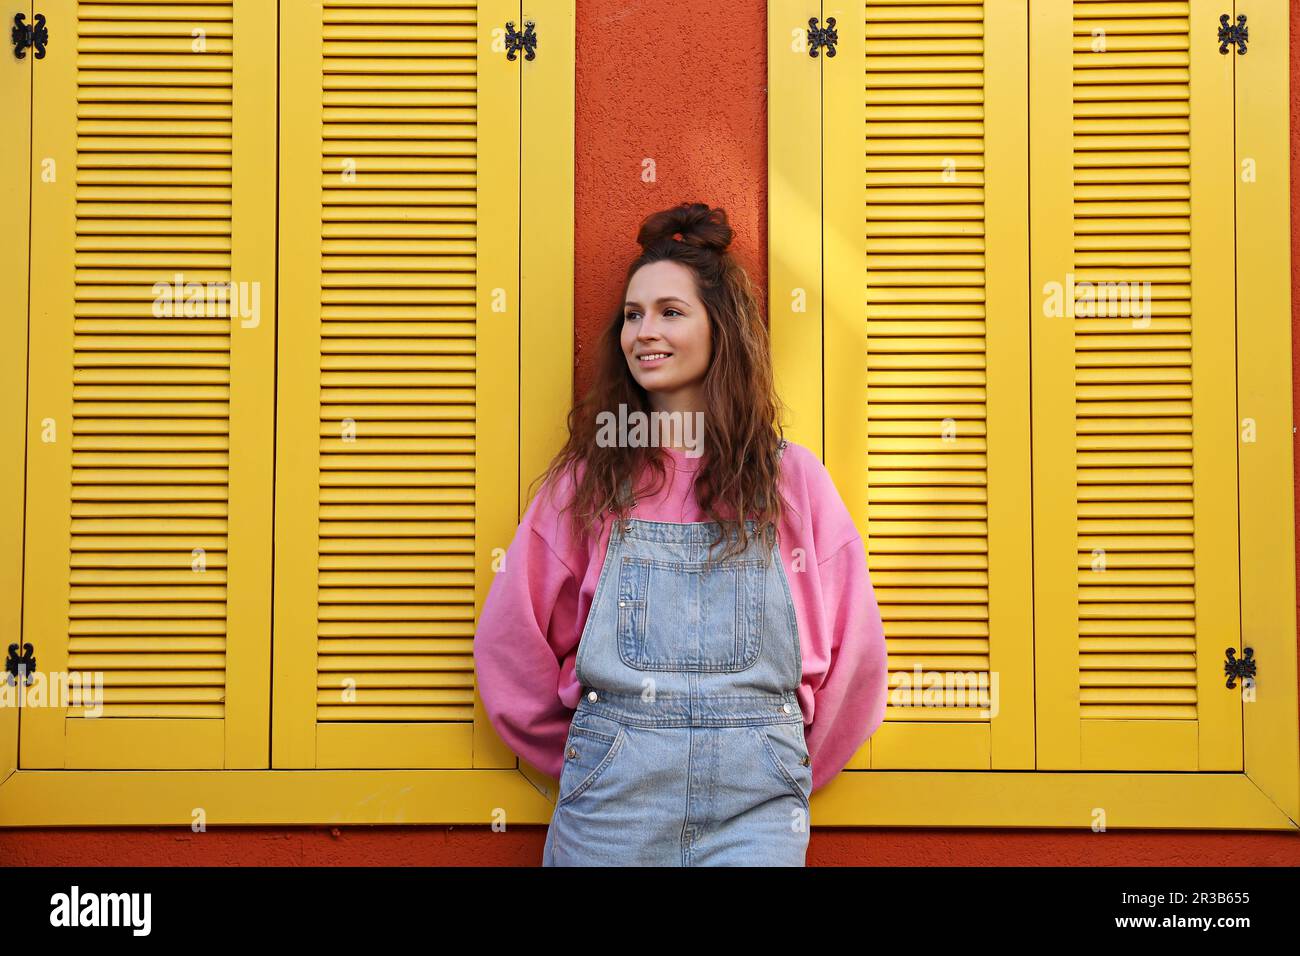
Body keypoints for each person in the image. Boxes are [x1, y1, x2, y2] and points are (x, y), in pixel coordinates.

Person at [473, 201, 887, 866]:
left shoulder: (793, 481)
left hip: (755, 814)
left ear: (719, 328)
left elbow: (857, 660)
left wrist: (775, 760)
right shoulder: (591, 481)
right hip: (610, 810)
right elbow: (507, 643)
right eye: (633, 315)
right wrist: (597, 750)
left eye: (670, 311)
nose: (644, 332)